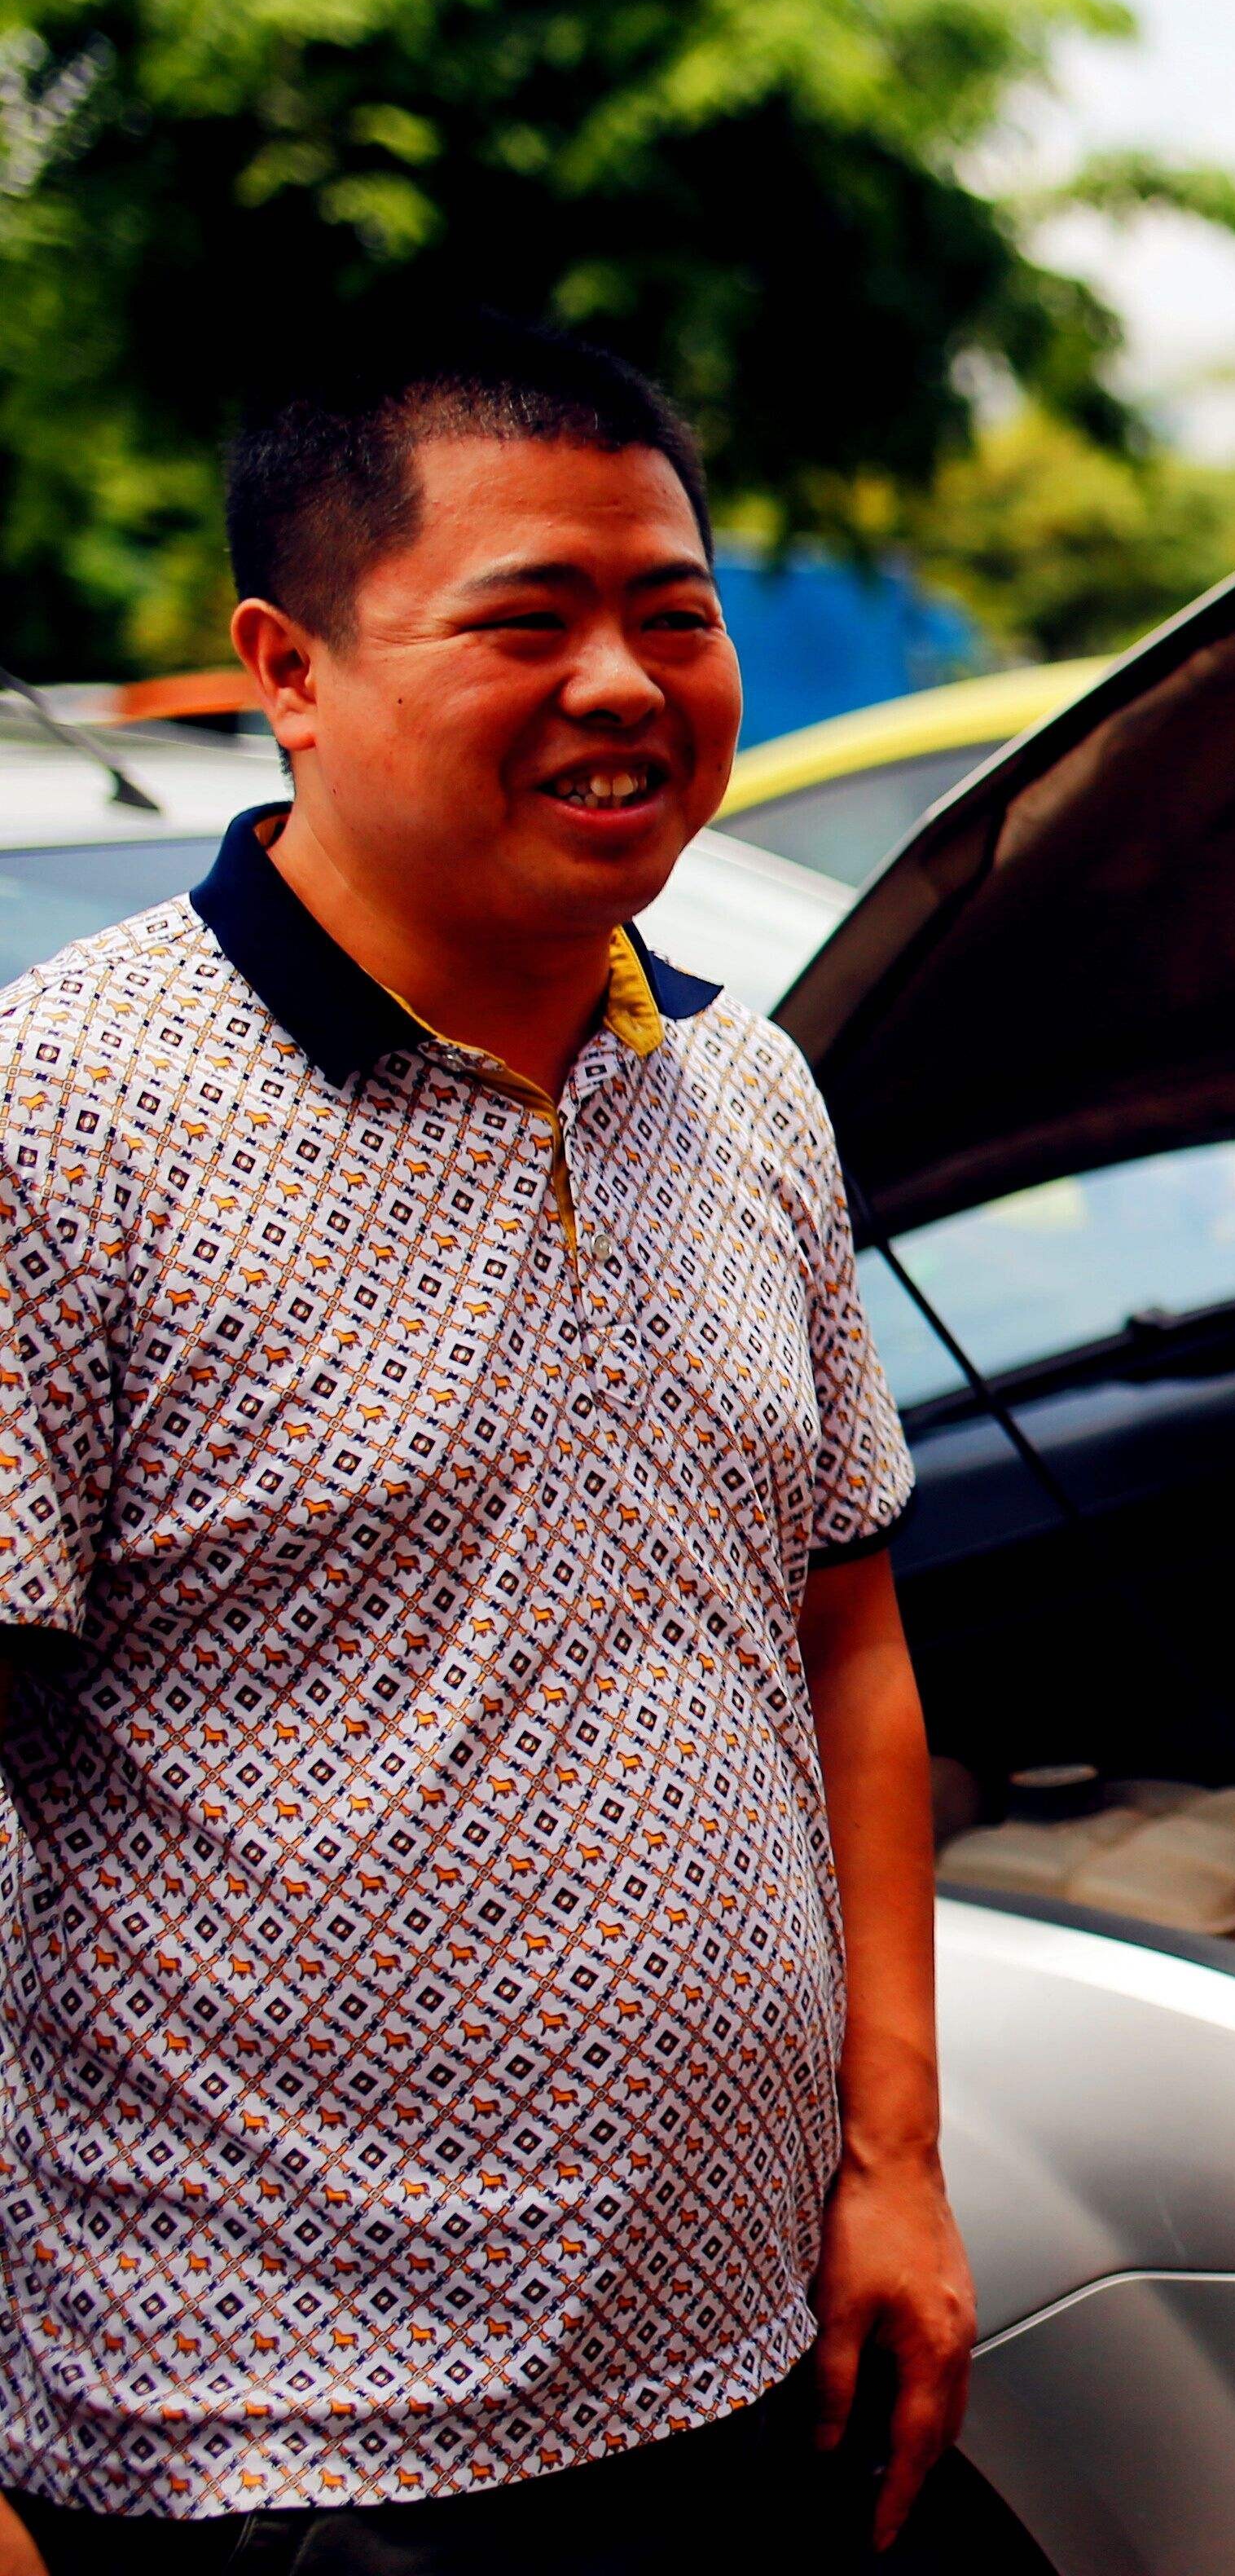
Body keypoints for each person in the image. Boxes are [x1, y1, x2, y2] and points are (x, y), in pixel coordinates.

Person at [0, 317, 965, 2574]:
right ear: (293, 668)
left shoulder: (744, 1091)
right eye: (527, 619)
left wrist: (896, 2164)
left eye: (674, 611)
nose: (624, 682)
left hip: (752, 2376)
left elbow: (848, 1646)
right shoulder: (63, 1118)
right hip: (266, 2451)